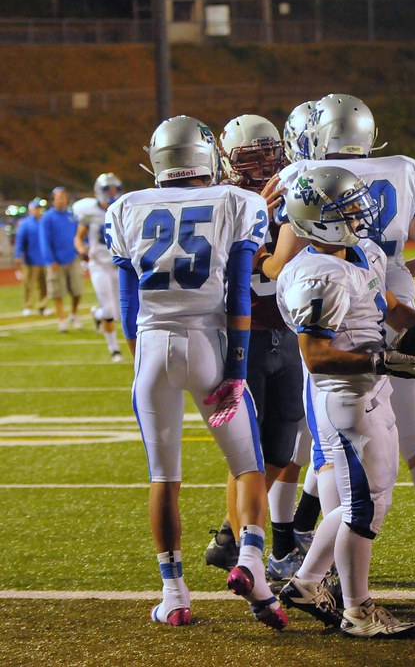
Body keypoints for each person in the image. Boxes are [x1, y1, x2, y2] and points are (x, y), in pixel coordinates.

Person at [271, 93, 415, 595]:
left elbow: (281, 265)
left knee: (335, 460)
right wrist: (393, 277)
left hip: (340, 320)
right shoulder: (408, 170)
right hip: (396, 314)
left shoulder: (305, 175)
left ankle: (326, 582)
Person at [105, 115, 285, 629]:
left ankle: (174, 594)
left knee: (164, 476)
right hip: (211, 342)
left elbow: (126, 303)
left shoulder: (126, 206)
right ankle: (251, 561)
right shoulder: (237, 202)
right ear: (208, 157)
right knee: (248, 465)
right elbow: (239, 293)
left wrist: (145, 359)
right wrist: (235, 367)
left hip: (153, 347)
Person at [275, 165, 415, 638]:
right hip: (346, 398)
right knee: (365, 507)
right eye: (347, 207)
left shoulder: (360, 252)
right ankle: (357, 610)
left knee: (367, 500)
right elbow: (318, 356)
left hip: (369, 390)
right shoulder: (316, 275)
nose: (361, 213)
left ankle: (304, 583)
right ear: (317, 219)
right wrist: (385, 361)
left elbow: (386, 305)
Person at [202, 114, 307, 580]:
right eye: (252, 155)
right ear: (228, 161)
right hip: (245, 334)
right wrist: (254, 215)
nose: (265, 164)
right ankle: (247, 550)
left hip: (288, 329)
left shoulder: (296, 187)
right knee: (248, 452)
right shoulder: (220, 200)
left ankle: (231, 532)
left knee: (282, 446)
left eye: (270, 151)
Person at [74, 173, 124, 362]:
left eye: (114, 189)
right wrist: (81, 249)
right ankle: (114, 350)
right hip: (99, 265)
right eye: (108, 189)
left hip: (119, 265)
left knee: (119, 313)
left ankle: (96, 313)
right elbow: (79, 236)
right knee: (110, 311)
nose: (112, 193)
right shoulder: (89, 211)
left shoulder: (122, 208)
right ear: (99, 191)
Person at [40, 187, 84, 332]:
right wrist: (50, 259)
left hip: (72, 257)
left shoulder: (72, 216)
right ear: (53, 200)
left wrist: (83, 249)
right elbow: (44, 240)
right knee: (57, 292)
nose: (61, 200)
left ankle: (74, 314)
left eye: (63, 197)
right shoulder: (47, 217)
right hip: (56, 261)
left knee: (77, 290)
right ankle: (61, 319)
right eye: (58, 197)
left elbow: (79, 235)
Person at [14, 198, 49, 317]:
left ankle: (42, 306)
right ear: (31, 210)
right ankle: (28, 306)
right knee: (29, 284)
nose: (38, 210)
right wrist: (18, 255)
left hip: (45, 259)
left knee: (44, 285)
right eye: (36, 208)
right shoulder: (25, 224)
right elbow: (20, 241)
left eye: (39, 208)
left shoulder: (44, 222)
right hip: (31, 259)